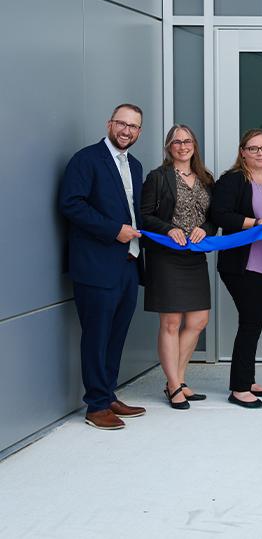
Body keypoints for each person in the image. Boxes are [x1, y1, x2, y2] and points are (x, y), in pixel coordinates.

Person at [58, 104, 147, 430]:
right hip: (96, 265)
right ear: (110, 124)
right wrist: (114, 230)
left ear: (139, 131)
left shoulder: (135, 165)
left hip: (128, 262)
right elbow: (71, 204)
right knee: (96, 336)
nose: (127, 130)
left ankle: (108, 394)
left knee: (116, 335)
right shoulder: (86, 159)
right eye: (122, 124)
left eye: (134, 126)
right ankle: (95, 406)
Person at [211, 129, 262, 409]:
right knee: (250, 321)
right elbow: (220, 215)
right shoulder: (231, 180)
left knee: (256, 322)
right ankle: (238, 388)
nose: (260, 152)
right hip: (241, 265)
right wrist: (254, 223)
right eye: (253, 148)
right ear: (242, 152)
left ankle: (248, 380)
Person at [140, 124, 216, 410]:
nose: (182, 146)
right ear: (168, 147)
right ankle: (174, 385)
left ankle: (178, 380)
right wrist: (169, 228)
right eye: (176, 142)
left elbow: (213, 217)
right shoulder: (157, 177)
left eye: (187, 141)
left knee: (198, 321)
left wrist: (205, 230)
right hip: (166, 256)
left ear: (194, 145)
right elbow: (145, 216)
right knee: (170, 323)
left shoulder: (206, 179)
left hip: (194, 256)